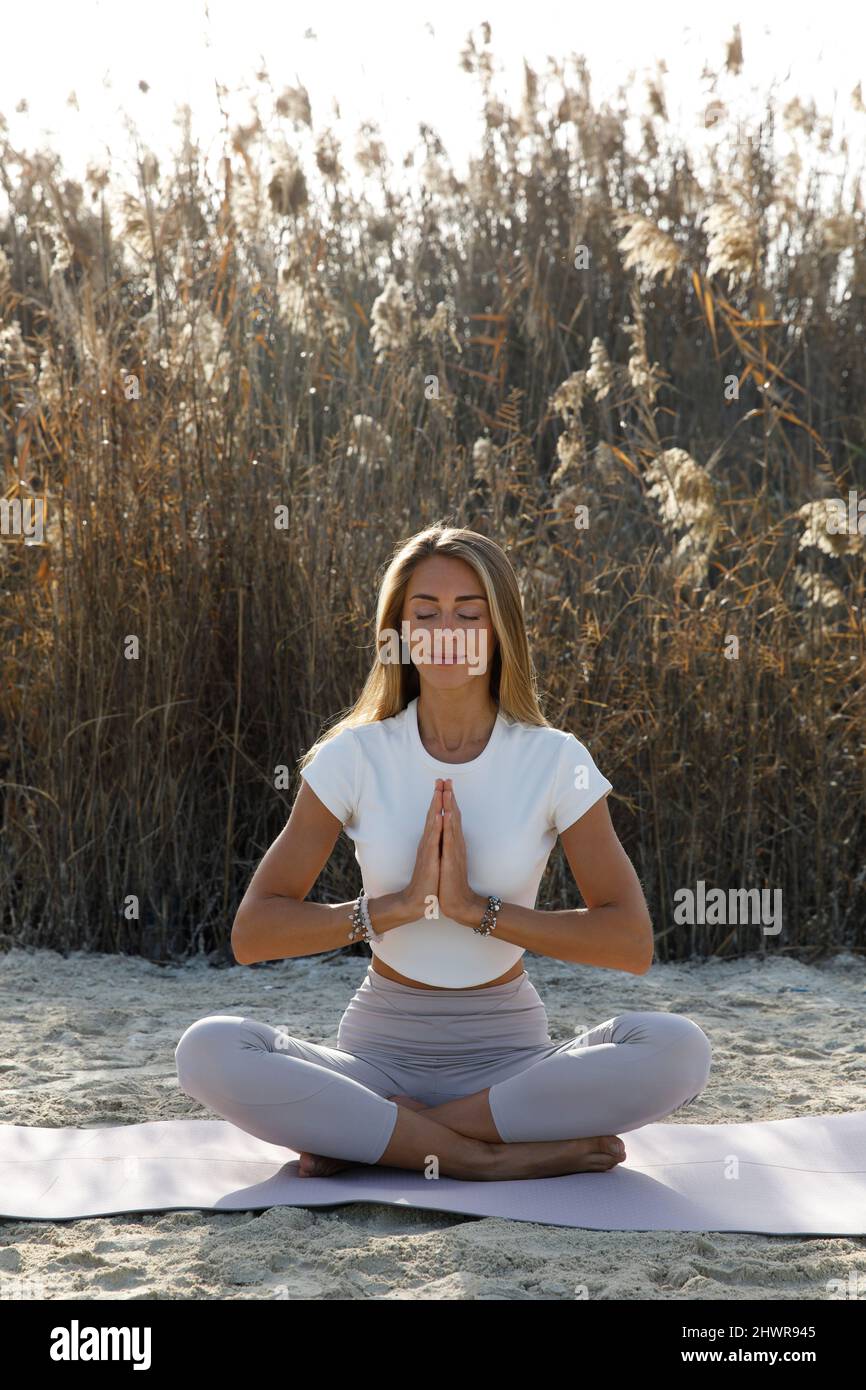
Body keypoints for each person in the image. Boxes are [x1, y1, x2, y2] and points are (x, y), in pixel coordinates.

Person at [175, 523, 711, 1181]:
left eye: (469, 612)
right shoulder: (354, 755)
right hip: (374, 1064)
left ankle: (400, 1137)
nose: (446, 630)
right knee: (207, 1048)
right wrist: (394, 909)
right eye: (424, 612)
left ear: (500, 630)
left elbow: (628, 942)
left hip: (511, 1065)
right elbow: (255, 934)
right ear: (397, 632)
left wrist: (475, 911)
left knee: (678, 1048)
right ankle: (482, 1159)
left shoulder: (555, 759)